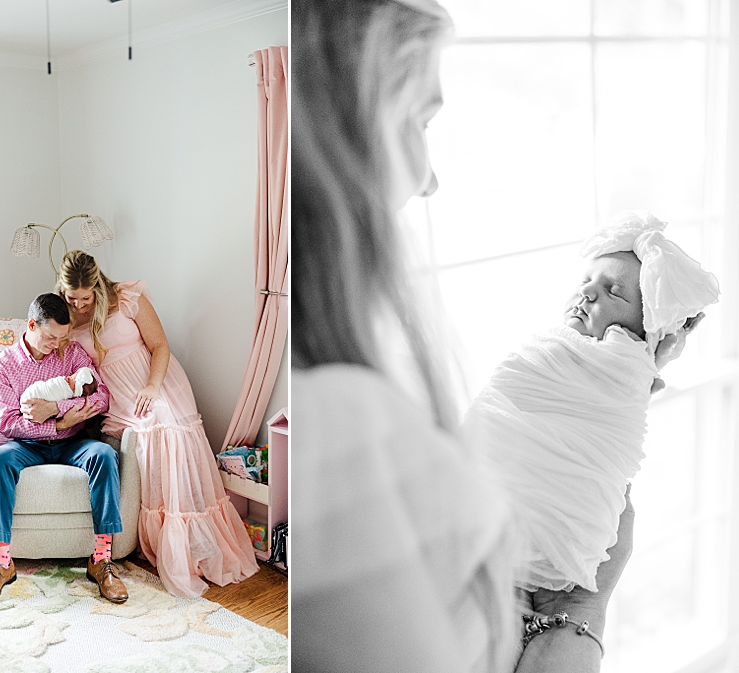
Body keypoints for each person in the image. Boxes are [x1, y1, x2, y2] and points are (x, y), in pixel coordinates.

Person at [292, 1, 691, 671]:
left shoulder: (347, 399)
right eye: (421, 121)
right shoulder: (340, 420)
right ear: (347, 134)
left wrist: (625, 378)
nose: (430, 178)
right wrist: (586, 614)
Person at [465, 211, 719, 594]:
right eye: (586, 280)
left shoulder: (626, 363)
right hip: (489, 480)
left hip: (551, 512)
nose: (587, 292)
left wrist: (661, 344)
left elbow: (638, 371)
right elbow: (506, 396)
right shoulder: (554, 349)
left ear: (642, 327)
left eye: (612, 292)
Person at [55, 250, 259, 598]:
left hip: (157, 381)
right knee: (146, 438)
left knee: (165, 426)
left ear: (97, 285)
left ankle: (195, 546)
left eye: (85, 297)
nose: (79, 305)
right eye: (72, 297)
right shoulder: (63, 318)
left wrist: (151, 386)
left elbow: (160, 346)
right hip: (116, 397)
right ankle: (160, 541)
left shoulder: (128, 297)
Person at [0, 293, 128, 606]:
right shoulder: (3, 366)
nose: (57, 344)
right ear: (31, 325)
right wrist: (54, 425)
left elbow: (102, 397)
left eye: (62, 336)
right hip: (25, 445)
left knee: (105, 455)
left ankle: (101, 560)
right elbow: (9, 422)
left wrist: (57, 408)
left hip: (73, 442)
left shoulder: (72, 353)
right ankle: (1, 562)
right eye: (50, 336)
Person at [19, 366, 99, 404]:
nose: (68, 377)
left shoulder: (75, 351)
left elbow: (101, 398)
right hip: (30, 400)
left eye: (73, 378)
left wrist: (56, 407)